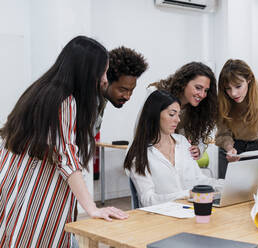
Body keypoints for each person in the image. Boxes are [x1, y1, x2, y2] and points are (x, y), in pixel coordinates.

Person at [0, 36, 127, 248]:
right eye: (102, 72)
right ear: (87, 71)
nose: (105, 79)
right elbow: (66, 157)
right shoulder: (66, 101)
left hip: (14, 186)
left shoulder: (38, 90)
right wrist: (92, 208)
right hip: (38, 195)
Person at [124, 90, 222, 207]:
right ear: (155, 114)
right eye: (172, 114)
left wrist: (226, 184)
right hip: (162, 218)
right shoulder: (139, 154)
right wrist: (187, 194)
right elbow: (148, 199)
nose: (178, 120)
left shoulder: (182, 142)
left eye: (178, 115)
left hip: (191, 211)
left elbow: (199, 179)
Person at [216, 59, 258, 179]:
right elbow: (223, 133)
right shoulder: (222, 98)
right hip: (232, 148)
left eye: (238, 86)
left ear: (249, 79)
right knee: (227, 195)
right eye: (228, 88)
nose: (234, 93)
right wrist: (230, 149)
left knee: (256, 194)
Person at [150, 62, 217, 160]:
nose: (202, 95)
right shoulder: (156, 94)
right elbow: (142, 128)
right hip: (151, 157)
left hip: (175, 161)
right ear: (184, 83)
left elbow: (201, 138)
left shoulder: (200, 109)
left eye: (206, 90)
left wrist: (199, 149)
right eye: (198, 88)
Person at [95, 46, 148, 134]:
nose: (128, 97)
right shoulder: (87, 102)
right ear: (106, 80)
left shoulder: (102, 100)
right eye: (123, 90)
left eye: (132, 90)